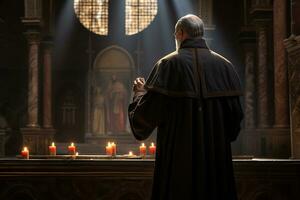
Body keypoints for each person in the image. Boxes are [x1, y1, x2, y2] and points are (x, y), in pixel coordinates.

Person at [128, 14, 244, 200]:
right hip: (216, 169)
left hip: (177, 170)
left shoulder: (167, 65)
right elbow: (234, 127)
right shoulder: (225, 67)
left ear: (181, 34)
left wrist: (140, 94)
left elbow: (142, 123)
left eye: (175, 35)